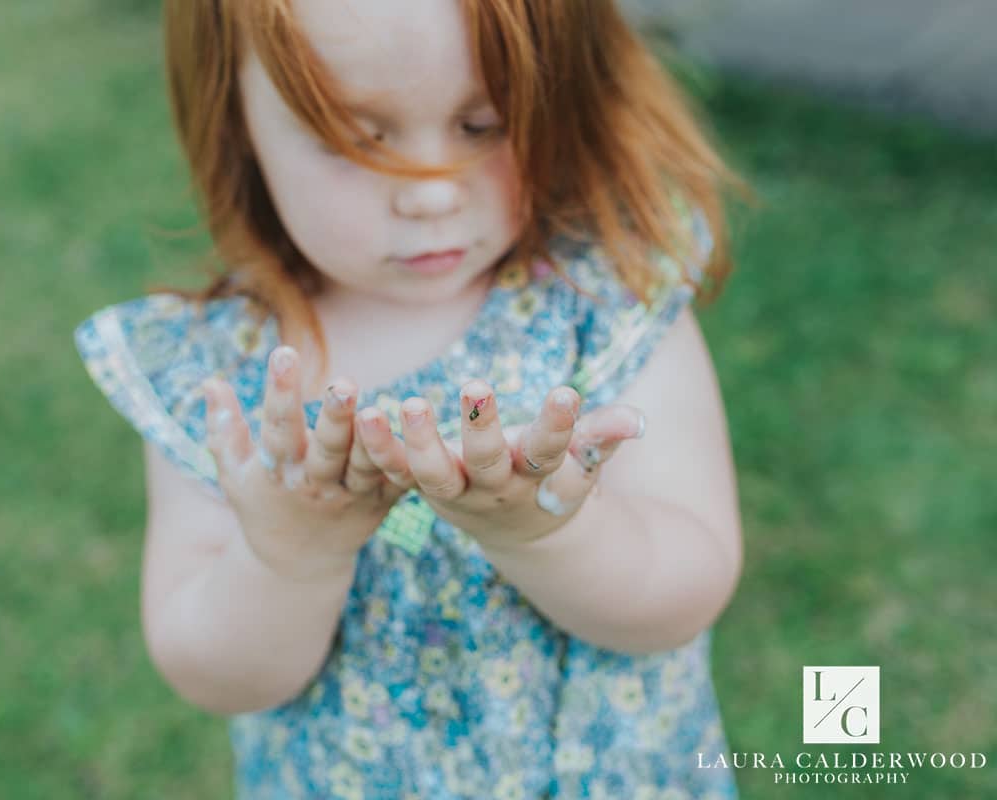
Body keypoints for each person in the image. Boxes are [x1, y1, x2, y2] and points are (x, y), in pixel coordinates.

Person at [73, 0, 746, 796]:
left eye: (483, 124)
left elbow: (685, 590)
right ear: (235, 124)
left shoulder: (606, 300)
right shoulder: (222, 379)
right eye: (355, 138)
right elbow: (218, 676)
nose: (432, 193)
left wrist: (541, 532)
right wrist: (290, 556)